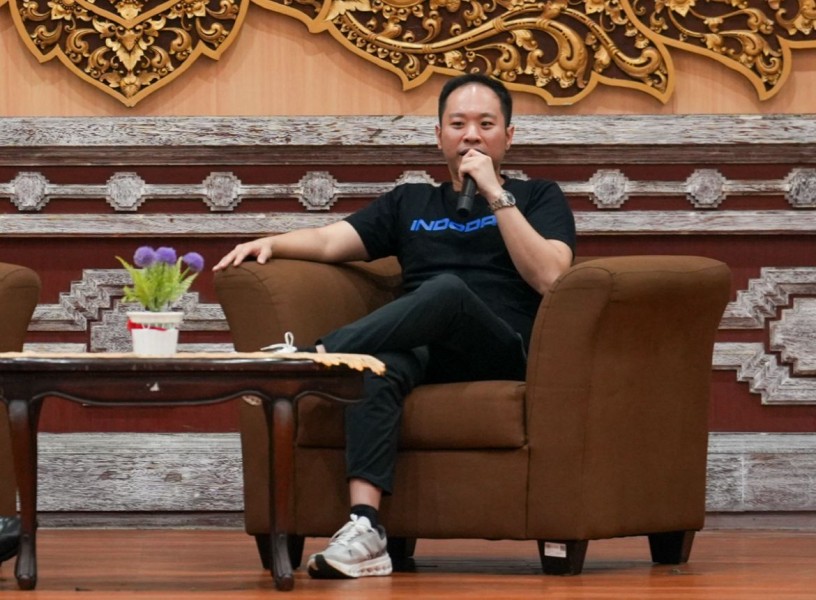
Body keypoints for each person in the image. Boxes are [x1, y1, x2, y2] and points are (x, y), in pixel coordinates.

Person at [213, 73, 576, 579]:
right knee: (374, 366)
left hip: (499, 348)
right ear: (439, 135)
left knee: (447, 291)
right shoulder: (411, 202)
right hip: (425, 350)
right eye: (458, 124)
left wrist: (496, 193)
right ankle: (365, 528)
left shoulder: (538, 197)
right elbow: (330, 241)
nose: (471, 135)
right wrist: (271, 242)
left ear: (508, 136)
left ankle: (315, 357)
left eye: (486, 124)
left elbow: (551, 275)